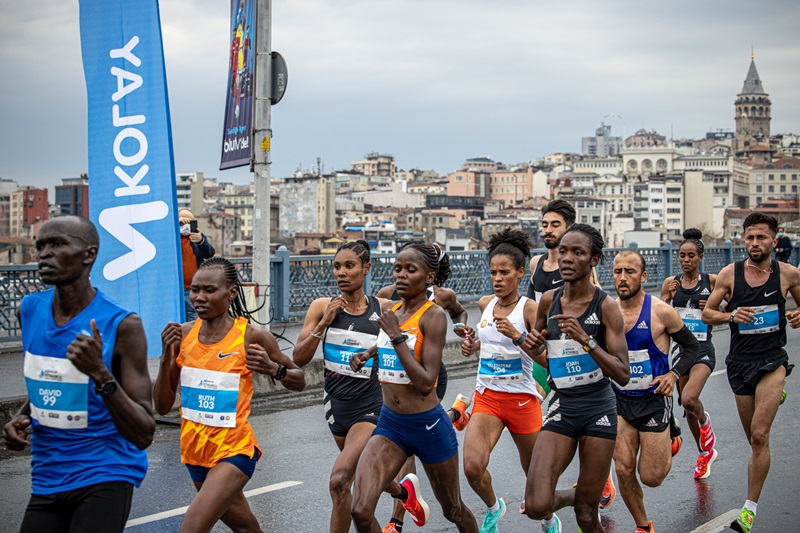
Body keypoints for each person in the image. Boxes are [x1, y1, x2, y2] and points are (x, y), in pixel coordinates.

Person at [2, 216, 156, 533]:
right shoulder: (29, 309)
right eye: (40, 246)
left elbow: (143, 434)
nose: (44, 254)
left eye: (57, 244)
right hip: (47, 474)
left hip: (106, 472)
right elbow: (51, 380)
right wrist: (21, 417)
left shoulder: (122, 324)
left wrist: (99, 372)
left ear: (89, 255)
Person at [154, 257, 305, 532]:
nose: (199, 297)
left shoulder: (251, 336)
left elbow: (300, 380)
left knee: (191, 528)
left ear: (231, 292)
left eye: (209, 290)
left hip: (233, 452)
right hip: (195, 453)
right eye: (195, 289)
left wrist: (275, 370)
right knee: (246, 528)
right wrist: (166, 358)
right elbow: (162, 407)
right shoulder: (183, 335)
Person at [350, 243, 478, 533]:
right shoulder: (393, 310)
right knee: (359, 509)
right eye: (398, 269)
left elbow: (424, 383)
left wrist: (395, 336)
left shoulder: (433, 316)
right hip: (391, 423)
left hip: (427, 426)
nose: (402, 275)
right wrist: (367, 354)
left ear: (429, 277)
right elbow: (388, 343)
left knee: (454, 510)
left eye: (411, 270)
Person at [523, 224, 630, 533]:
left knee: (586, 516)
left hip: (598, 408)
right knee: (536, 506)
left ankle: (586, 498)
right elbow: (543, 350)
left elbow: (622, 374)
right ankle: (580, 494)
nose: (567, 258)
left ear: (593, 260)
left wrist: (587, 340)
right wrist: (532, 345)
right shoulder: (548, 301)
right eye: (563, 251)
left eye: (577, 253)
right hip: (562, 406)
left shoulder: (606, 307)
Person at [701, 212, 800, 533]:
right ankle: (772, 394)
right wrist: (730, 316)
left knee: (760, 435)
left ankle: (749, 509)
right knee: (753, 440)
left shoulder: (789, 275)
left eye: (761, 237)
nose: (755, 243)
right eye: (750, 238)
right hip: (740, 364)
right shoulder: (731, 274)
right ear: (742, 239)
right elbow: (707, 313)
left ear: (775, 239)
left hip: (772, 360)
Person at [292, 241, 386, 533]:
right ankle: (399, 490)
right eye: (337, 266)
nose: (341, 273)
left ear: (366, 269)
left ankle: (396, 489)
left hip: (370, 407)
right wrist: (324, 323)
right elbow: (299, 358)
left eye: (349, 266)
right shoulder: (322, 306)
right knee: (352, 484)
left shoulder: (381, 309)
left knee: (339, 480)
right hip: (336, 407)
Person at [459, 227, 546, 533]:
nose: (497, 278)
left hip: (521, 398)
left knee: (535, 473)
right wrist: (472, 345)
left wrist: (518, 336)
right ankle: (495, 508)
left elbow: (546, 358)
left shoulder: (530, 309)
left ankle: (549, 519)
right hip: (488, 396)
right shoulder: (486, 304)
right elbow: (486, 343)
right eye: (493, 272)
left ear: (520, 273)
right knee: (472, 466)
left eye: (505, 272)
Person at [613, 251, 700, 533]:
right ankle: (643, 526)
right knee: (623, 469)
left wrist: (674, 375)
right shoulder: (607, 312)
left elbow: (692, 348)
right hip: (620, 401)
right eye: (617, 272)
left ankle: (670, 437)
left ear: (643, 276)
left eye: (630, 272)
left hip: (654, 401)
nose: (623, 278)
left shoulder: (661, 311)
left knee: (651, 477)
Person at [660, 228, 719, 479]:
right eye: (682, 255)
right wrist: (669, 297)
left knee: (691, 399)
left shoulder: (712, 282)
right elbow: (658, 314)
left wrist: (715, 307)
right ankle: (704, 453)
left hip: (703, 349)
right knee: (686, 406)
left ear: (700, 257)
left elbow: (725, 311)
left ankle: (706, 425)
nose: (685, 260)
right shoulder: (671, 283)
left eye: (691, 256)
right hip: (680, 351)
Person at [179, 209, 215, 321]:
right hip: (176, 290)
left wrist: (201, 241)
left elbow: (209, 253)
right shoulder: (172, 236)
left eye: (190, 222)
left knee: (194, 323)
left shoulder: (196, 237)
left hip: (193, 290)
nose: (186, 225)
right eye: (183, 222)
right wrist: (175, 226)